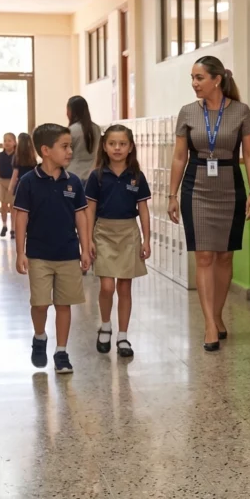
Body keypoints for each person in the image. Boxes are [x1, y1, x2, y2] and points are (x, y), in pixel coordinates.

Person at [167, 56, 250, 351]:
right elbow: (179, 156)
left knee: (224, 256)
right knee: (204, 256)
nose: (194, 84)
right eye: (192, 78)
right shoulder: (187, 113)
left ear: (216, 79)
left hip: (230, 184)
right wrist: (171, 194)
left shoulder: (241, 111)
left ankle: (218, 315)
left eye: (199, 78)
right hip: (196, 186)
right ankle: (209, 323)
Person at [13, 124, 92, 374]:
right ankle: (39, 336)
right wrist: (20, 252)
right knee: (39, 304)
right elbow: (21, 218)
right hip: (38, 254)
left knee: (64, 304)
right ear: (46, 150)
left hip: (68, 252)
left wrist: (85, 247)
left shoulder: (75, 182)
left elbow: (82, 217)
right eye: (65, 146)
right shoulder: (28, 182)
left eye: (70, 146)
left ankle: (61, 351)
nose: (70, 151)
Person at [85, 124, 152, 359]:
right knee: (107, 287)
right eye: (112, 143)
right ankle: (105, 325)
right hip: (103, 232)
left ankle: (123, 335)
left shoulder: (136, 176)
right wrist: (88, 239)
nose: (117, 148)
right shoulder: (96, 176)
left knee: (124, 287)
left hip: (128, 233)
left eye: (122, 144)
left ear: (130, 147)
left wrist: (146, 239)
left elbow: (143, 209)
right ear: (104, 146)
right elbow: (89, 210)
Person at [9, 132, 39, 239]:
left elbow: (15, 175)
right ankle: (30, 229)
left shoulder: (17, 158)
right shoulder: (33, 158)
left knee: (18, 211)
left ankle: (15, 230)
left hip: (20, 187)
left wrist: (10, 188)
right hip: (32, 187)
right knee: (30, 210)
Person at [67, 95, 101, 183]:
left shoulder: (71, 130)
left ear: (72, 111)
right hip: (91, 174)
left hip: (73, 173)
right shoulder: (96, 128)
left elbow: (66, 154)